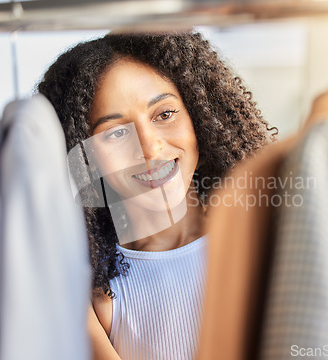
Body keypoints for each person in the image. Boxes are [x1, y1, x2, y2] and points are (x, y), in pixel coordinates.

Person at [37, 31, 277, 360]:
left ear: (200, 115)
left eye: (164, 114)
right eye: (116, 132)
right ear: (85, 159)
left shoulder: (265, 240)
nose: (150, 148)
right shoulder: (93, 297)